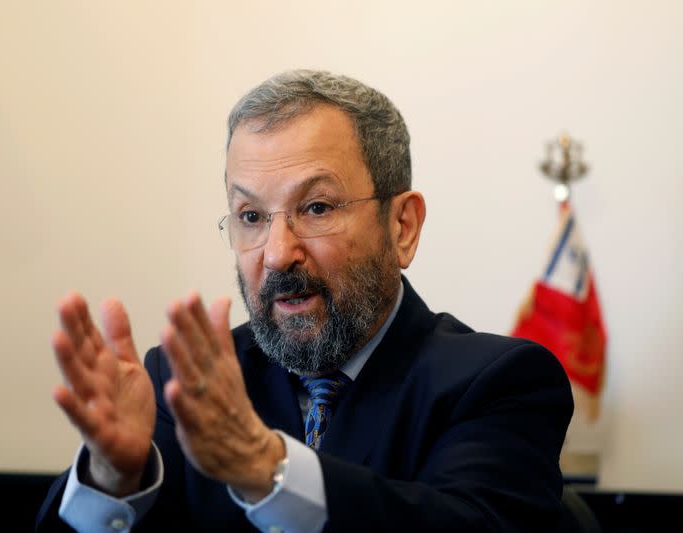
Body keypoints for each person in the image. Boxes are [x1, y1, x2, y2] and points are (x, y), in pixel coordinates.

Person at [36, 70, 573, 532]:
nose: (275, 255)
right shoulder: (182, 383)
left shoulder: (499, 383)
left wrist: (266, 467)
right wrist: (112, 480)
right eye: (250, 217)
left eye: (316, 208)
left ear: (402, 226)